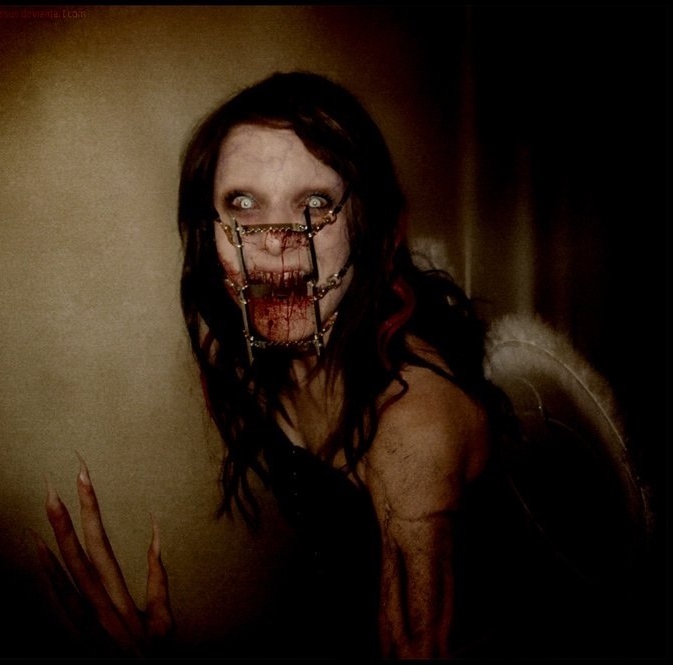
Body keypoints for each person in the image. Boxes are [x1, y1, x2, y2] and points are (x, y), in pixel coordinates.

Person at [37, 71, 517, 659]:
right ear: (208, 233)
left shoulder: (411, 431)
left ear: (374, 229)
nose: (274, 240)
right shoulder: (259, 364)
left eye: (315, 203)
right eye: (243, 204)